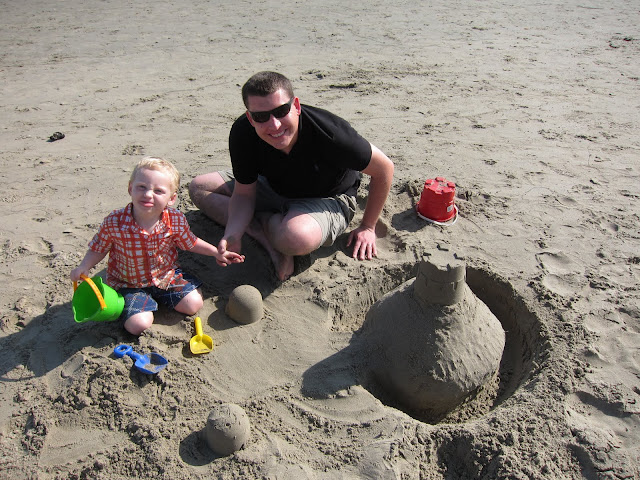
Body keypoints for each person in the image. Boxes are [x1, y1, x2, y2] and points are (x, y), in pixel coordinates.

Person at [189, 71, 394, 281]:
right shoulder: (243, 131)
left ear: (295, 105)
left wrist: (368, 226)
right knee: (199, 187)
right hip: (274, 186)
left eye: (281, 111)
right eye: (261, 117)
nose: (274, 125)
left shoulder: (331, 133)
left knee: (295, 238)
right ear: (250, 117)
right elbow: (244, 193)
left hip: (327, 197)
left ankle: (275, 230)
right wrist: (233, 233)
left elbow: (384, 169)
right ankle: (267, 238)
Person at [70, 157, 244, 335]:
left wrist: (216, 253)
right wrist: (84, 266)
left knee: (193, 304)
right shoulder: (114, 222)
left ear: (172, 198)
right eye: (141, 187)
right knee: (138, 325)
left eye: (158, 191)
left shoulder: (175, 220)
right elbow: (99, 248)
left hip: (166, 276)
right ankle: (141, 305)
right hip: (130, 283)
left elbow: (190, 242)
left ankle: (157, 300)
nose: (148, 194)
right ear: (130, 188)